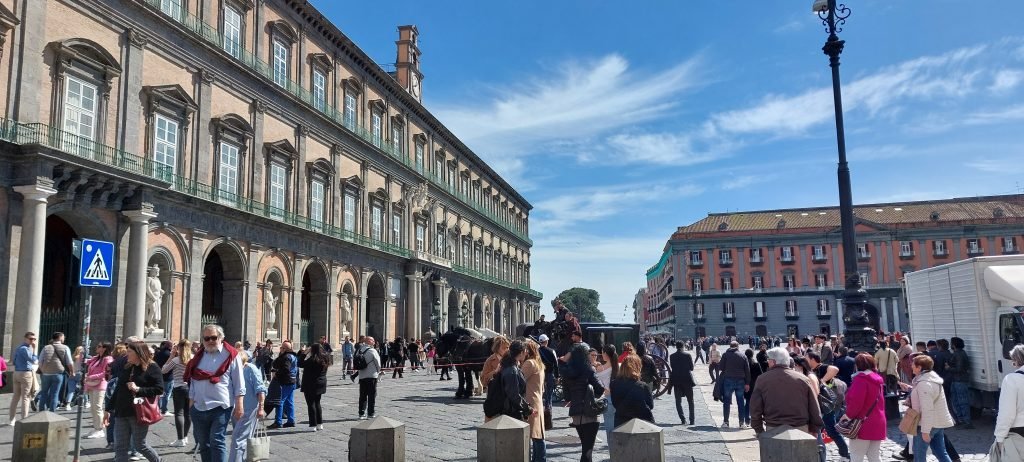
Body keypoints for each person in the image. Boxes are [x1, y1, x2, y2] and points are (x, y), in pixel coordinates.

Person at [185, 325, 246, 462]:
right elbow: (193, 380)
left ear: (221, 338)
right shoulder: (198, 357)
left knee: (217, 441)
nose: (210, 341)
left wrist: (239, 405)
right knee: (204, 444)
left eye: (213, 337)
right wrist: (191, 404)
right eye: (207, 338)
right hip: (199, 406)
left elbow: (239, 382)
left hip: (221, 406)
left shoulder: (231, 355)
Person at [104, 341, 164, 462]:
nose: (127, 354)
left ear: (138, 353)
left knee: (140, 445)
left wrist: (139, 389)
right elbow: (118, 389)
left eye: (130, 352)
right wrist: (108, 409)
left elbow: (159, 389)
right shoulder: (128, 366)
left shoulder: (152, 367)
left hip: (138, 412)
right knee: (120, 446)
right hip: (121, 411)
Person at [749, 347, 823, 436]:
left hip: (774, 428)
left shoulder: (762, 379)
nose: (767, 363)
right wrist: (814, 428)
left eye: (768, 360)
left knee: (776, 450)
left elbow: (755, 407)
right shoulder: (803, 379)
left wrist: (758, 429)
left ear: (773, 361)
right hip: (800, 427)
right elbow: (813, 405)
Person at [904, 354, 954, 462]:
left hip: (927, 424)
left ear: (919, 367)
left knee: (919, 455)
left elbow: (927, 409)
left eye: (913, 364)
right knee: (940, 452)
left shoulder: (924, 384)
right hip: (937, 422)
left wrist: (925, 431)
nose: (911, 365)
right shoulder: (930, 380)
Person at [560, 342, 604, 462]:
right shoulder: (589, 370)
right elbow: (600, 389)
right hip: (589, 411)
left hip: (576, 413)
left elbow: (567, 395)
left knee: (585, 446)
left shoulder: (567, 372)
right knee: (588, 449)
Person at [844, 353, 886, 462]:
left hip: (862, 422)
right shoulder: (878, 379)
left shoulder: (861, 380)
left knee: (856, 455)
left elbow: (856, 402)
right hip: (878, 420)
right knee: (874, 456)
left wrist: (848, 416)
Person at [808, 352, 848, 462]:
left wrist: (823, 380)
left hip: (827, 405)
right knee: (825, 431)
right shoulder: (813, 370)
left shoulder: (821, 367)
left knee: (832, 431)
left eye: (807, 358)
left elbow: (835, 369)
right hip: (823, 405)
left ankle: (845, 454)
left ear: (812, 359)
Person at [228, 351, 266, 462]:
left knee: (237, 439)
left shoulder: (251, 369)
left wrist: (261, 408)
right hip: (236, 410)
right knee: (244, 438)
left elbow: (261, 390)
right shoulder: (233, 371)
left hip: (249, 410)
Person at [162, 338, 193, 447]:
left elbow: (164, 370)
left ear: (179, 348)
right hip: (190, 388)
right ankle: (185, 437)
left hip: (179, 387)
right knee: (188, 414)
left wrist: (171, 356)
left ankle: (180, 439)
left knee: (179, 413)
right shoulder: (193, 359)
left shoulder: (176, 360)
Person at [994, 344, 1024, 452]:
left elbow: (1007, 413)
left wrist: (999, 437)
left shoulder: (1011, 380)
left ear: (1016, 360)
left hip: (1019, 433)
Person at [610, 355, 654, 427]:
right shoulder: (642, 386)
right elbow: (650, 405)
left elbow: (615, 403)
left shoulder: (614, 384)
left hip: (621, 421)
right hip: (641, 422)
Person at [522, 340, 547, 462]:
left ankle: (539, 460)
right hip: (537, 400)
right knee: (538, 434)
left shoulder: (529, 364)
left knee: (535, 436)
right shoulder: (538, 363)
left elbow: (520, 379)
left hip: (530, 400)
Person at [716, 340, 751, 428]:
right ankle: (741, 423)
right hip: (740, 381)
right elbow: (747, 371)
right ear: (738, 346)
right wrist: (747, 383)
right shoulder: (743, 356)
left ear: (730, 346)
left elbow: (721, 368)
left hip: (728, 380)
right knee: (740, 401)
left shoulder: (725, 355)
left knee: (726, 401)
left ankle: (726, 422)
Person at [38, 331, 74, 412]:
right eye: (63, 337)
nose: (64, 338)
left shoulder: (46, 347)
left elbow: (40, 361)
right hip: (58, 374)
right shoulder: (65, 348)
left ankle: (41, 412)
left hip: (46, 374)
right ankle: (52, 413)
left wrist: (43, 370)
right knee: (55, 394)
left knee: (44, 393)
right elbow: (69, 362)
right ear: (60, 337)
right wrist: (72, 372)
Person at [83, 342, 113, 439]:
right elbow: (86, 361)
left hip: (100, 385)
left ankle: (100, 429)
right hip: (92, 384)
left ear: (104, 348)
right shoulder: (97, 358)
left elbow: (105, 373)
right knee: (93, 408)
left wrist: (91, 376)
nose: (97, 347)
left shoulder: (108, 359)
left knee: (97, 407)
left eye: (99, 346)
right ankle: (96, 427)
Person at [299, 343, 329, 431]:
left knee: (311, 404)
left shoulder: (312, 360)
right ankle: (320, 424)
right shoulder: (325, 358)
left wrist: (304, 353)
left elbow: (300, 363)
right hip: (321, 382)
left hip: (310, 383)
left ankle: (313, 425)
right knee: (317, 403)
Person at [269, 340, 298, 429]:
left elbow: (286, 369)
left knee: (280, 401)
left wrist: (277, 373)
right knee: (289, 401)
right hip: (292, 381)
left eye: (281, 347)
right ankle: (291, 420)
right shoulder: (293, 356)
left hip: (286, 381)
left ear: (284, 349)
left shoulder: (286, 357)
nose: (280, 349)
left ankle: (278, 421)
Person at [947, 337, 972, 429]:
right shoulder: (959, 353)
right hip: (957, 379)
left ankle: (966, 421)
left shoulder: (959, 354)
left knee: (962, 401)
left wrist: (948, 368)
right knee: (957, 401)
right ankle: (962, 420)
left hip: (959, 380)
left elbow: (959, 369)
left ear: (954, 345)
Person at [597, 344, 619, 443]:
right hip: (619, 400)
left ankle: (612, 454)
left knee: (610, 430)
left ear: (605, 354)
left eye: (602, 352)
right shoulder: (619, 366)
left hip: (608, 399)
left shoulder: (600, 368)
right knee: (619, 429)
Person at [670, 341, 696, 425]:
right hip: (687, 380)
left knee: (678, 401)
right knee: (690, 401)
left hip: (676, 380)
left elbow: (672, 367)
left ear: (676, 346)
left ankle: (683, 419)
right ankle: (692, 420)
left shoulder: (672, 356)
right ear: (683, 346)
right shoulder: (687, 355)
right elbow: (691, 368)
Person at [357, 336, 382, 419]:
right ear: (369, 341)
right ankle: (370, 413)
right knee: (372, 395)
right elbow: (378, 363)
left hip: (362, 376)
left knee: (362, 395)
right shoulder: (372, 351)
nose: (374, 342)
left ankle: (361, 413)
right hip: (372, 376)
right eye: (373, 340)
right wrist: (378, 372)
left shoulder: (359, 350)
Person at [538, 334, 558, 428]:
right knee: (549, 396)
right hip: (549, 375)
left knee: (540, 396)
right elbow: (556, 364)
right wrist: (557, 376)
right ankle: (548, 419)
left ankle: (541, 417)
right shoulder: (551, 351)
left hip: (539, 376)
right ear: (546, 341)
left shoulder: (536, 352)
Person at [742, 349, 763, 429]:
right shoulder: (756, 364)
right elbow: (761, 375)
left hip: (745, 385)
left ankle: (746, 419)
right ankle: (753, 419)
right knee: (753, 403)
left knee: (746, 403)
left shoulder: (743, 364)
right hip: (754, 385)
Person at [154, 340, 173, 415]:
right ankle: (164, 409)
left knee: (160, 393)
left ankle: (158, 408)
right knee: (167, 394)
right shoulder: (170, 355)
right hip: (168, 376)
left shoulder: (158, 353)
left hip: (159, 376)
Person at [64, 345, 85, 411]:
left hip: (72, 374)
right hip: (79, 374)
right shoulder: (82, 357)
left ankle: (68, 404)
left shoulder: (72, 357)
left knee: (71, 391)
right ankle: (86, 402)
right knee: (84, 389)